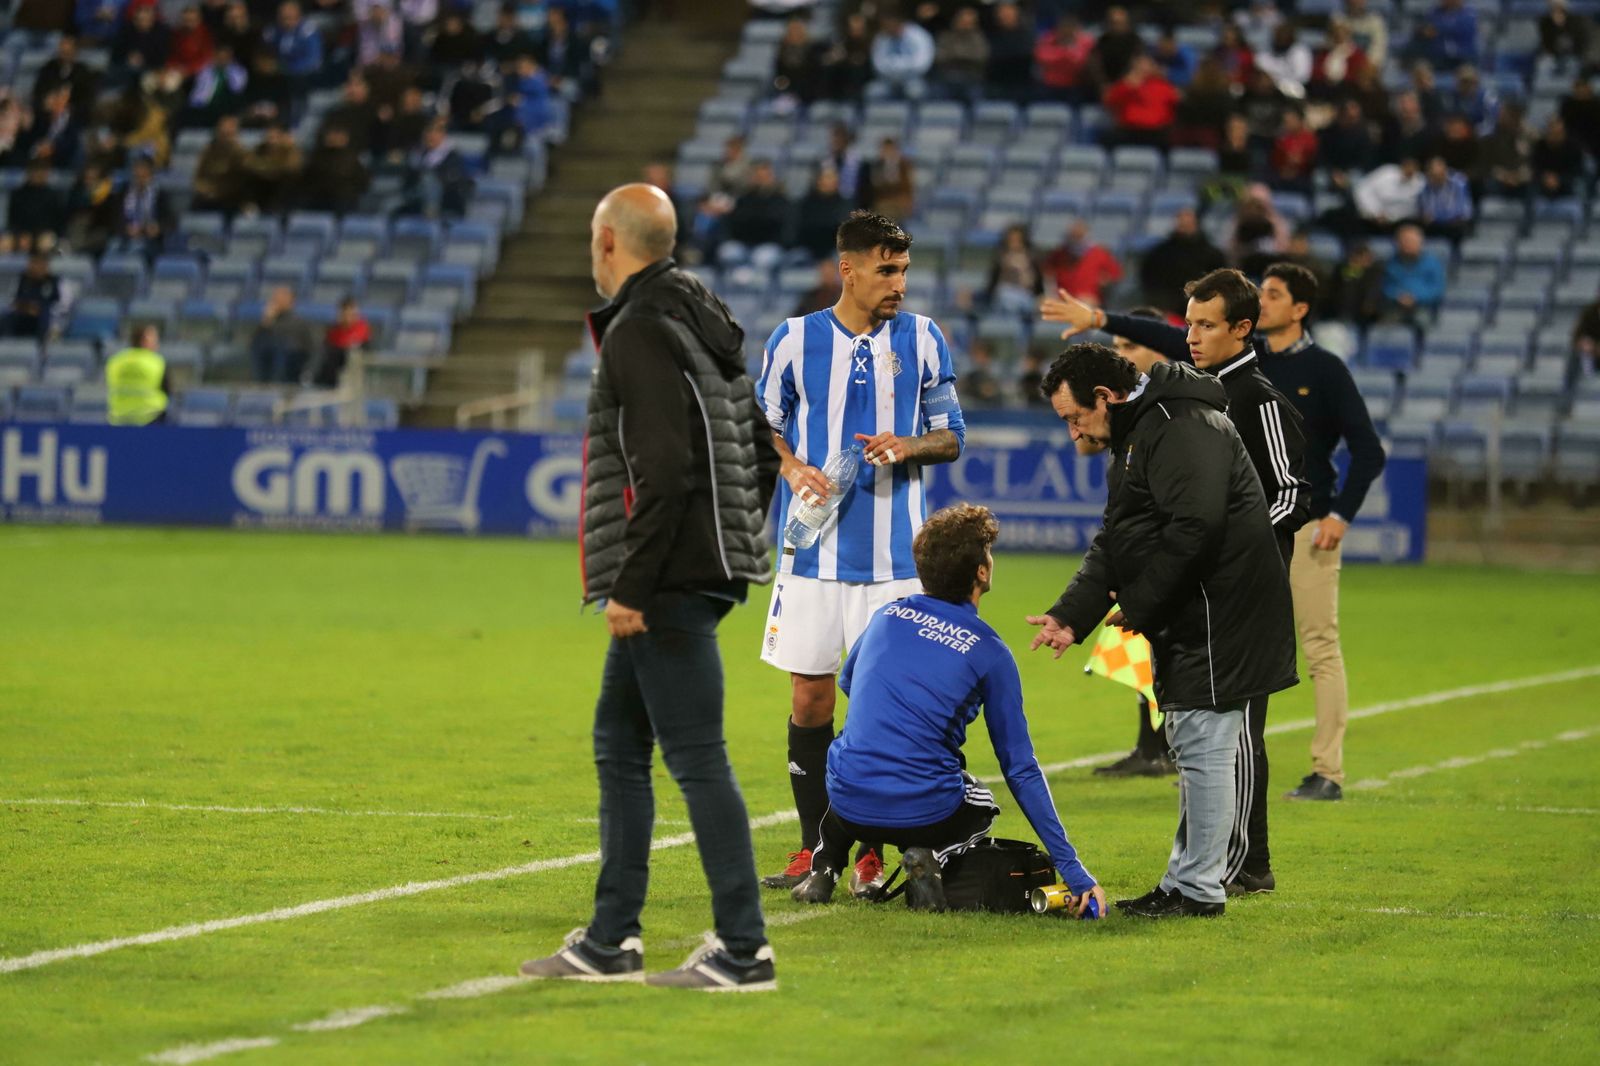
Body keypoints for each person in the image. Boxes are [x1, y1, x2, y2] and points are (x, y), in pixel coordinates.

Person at [518, 183, 781, 992]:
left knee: (697, 759)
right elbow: (763, 453)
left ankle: (744, 951)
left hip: (665, 578)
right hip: (702, 565)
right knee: (620, 745)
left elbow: (661, 470)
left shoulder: (638, 331)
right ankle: (610, 938)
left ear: (607, 243)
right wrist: (731, 539)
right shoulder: (705, 320)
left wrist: (634, 583)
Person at [1042, 272, 1310, 893]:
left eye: (1075, 418)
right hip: (1196, 604)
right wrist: (1072, 615)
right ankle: (1193, 879)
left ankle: (1216, 879)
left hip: (1224, 606)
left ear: (1106, 396)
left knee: (1218, 746)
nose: (1073, 432)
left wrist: (1138, 603)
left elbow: (1196, 526)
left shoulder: (1184, 419)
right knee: (1198, 744)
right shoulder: (1143, 430)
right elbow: (1118, 538)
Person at [753, 210, 967, 896]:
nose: (899, 283)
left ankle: (875, 852)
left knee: (890, 709)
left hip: (899, 565)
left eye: (904, 270)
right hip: (812, 557)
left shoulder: (925, 338)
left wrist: (908, 445)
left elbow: (953, 434)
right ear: (847, 270)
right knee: (811, 699)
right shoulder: (793, 341)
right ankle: (817, 849)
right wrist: (789, 468)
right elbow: (762, 430)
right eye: (886, 270)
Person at [789, 503, 1106, 917]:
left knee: (850, 762)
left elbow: (849, 683)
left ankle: (825, 866)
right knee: (981, 800)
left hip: (848, 800)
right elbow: (1020, 767)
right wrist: (1072, 868)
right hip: (924, 812)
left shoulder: (886, 616)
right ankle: (931, 856)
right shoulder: (990, 651)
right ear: (981, 572)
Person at [1252, 262, 1387, 803]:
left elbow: (1368, 450)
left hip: (1309, 528)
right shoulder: (1244, 364)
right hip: (1249, 533)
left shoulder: (1326, 369)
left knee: (1319, 648)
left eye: (1274, 294)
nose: (1262, 301)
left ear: (1300, 309)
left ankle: (1328, 771)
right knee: (1234, 647)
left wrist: (1340, 516)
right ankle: (1227, 763)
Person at [1045, 219, 1122, 307]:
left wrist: (1103, 282)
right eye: (1073, 237)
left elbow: (1115, 275)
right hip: (1062, 298)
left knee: (1084, 304)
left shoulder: (1099, 254)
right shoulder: (1059, 254)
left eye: (1079, 237)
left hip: (1087, 300)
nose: (1075, 241)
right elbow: (1047, 274)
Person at [106, 323, 170, 426]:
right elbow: (167, 390)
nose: (156, 342)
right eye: (154, 338)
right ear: (144, 340)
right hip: (151, 418)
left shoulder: (116, 361)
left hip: (118, 418)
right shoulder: (156, 362)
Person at [250, 285, 317, 383]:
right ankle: (262, 384)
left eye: (281, 297)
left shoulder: (298, 322)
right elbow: (254, 342)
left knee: (281, 350)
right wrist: (266, 320)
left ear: (291, 300)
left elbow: (309, 348)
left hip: (292, 360)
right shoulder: (269, 321)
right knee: (262, 347)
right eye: (275, 297)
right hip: (270, 358)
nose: (276, 300)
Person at [1380, 223, 1445, 325]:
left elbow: (1436, 289)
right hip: (1395, 306)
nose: (1407, 244)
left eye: (1411, 241)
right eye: (1404, 240)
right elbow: (1385, 286)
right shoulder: (1389, 263)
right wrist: (1397, 296)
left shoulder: (1433, 263)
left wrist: (1416, 298)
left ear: (1420, 242)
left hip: (1423, 308)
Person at [870, 11, 935, 100]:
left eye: (891, 24)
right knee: (873, 91)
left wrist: (897, 67)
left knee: (915, 92)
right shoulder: (882, 37)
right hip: (888, 79)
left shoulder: (918, 34)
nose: (888, 28)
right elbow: (878, 64)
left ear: (899, 23)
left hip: (913, 78)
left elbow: (923, 63)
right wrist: (897, 69)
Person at [984, 223, 1044, 314]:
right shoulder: (1001, 259)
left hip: (1027, 298)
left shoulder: (1032, 258)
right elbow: (991, 286)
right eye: (1011, 240)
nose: (1014, 244)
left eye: (1018, 240)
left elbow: (1037, 285)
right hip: (1004, 297)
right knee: (1005, 295)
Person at [313, 296, 371, 387]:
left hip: (354, 375)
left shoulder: (363, 330)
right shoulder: (333, 331)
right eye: (344, 313)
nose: (348, 317)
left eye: (351, 313)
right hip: (331, 375)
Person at [1354, 157, 1424, 232]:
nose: (1410, 171)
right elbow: (1363, 189)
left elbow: (1411, 209)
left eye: (1413, 169)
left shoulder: (1420, 183)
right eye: (1407, 167)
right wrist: (1375, 213)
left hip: (1397, 222)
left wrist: (1390, 217)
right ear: (1402, 166)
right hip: (1370, 216)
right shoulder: (1386, 173)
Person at [1417, 156, 1473, 243]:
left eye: (1438, 175)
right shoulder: (1426, 187)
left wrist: (1438, 217)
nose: (1435, 179)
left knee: (1458, 226)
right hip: (1436, 226)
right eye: (1432, 175)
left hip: (1456, 224)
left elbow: (1462, 212)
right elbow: (1427, 215)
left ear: (1445, 171)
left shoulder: (1458, 183)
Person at [6, 253, 62, 340]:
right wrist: (28, 308)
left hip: (43, 314)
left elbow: (57, 302)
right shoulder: (23, 279)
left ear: (46, 266)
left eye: (40, 264)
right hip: (23, 312)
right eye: (34, 263)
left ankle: (41, 347)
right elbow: (15, 300)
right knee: (8, 317)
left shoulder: (53, 281)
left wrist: (39, 308)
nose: (37, 267)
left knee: (45, 318)